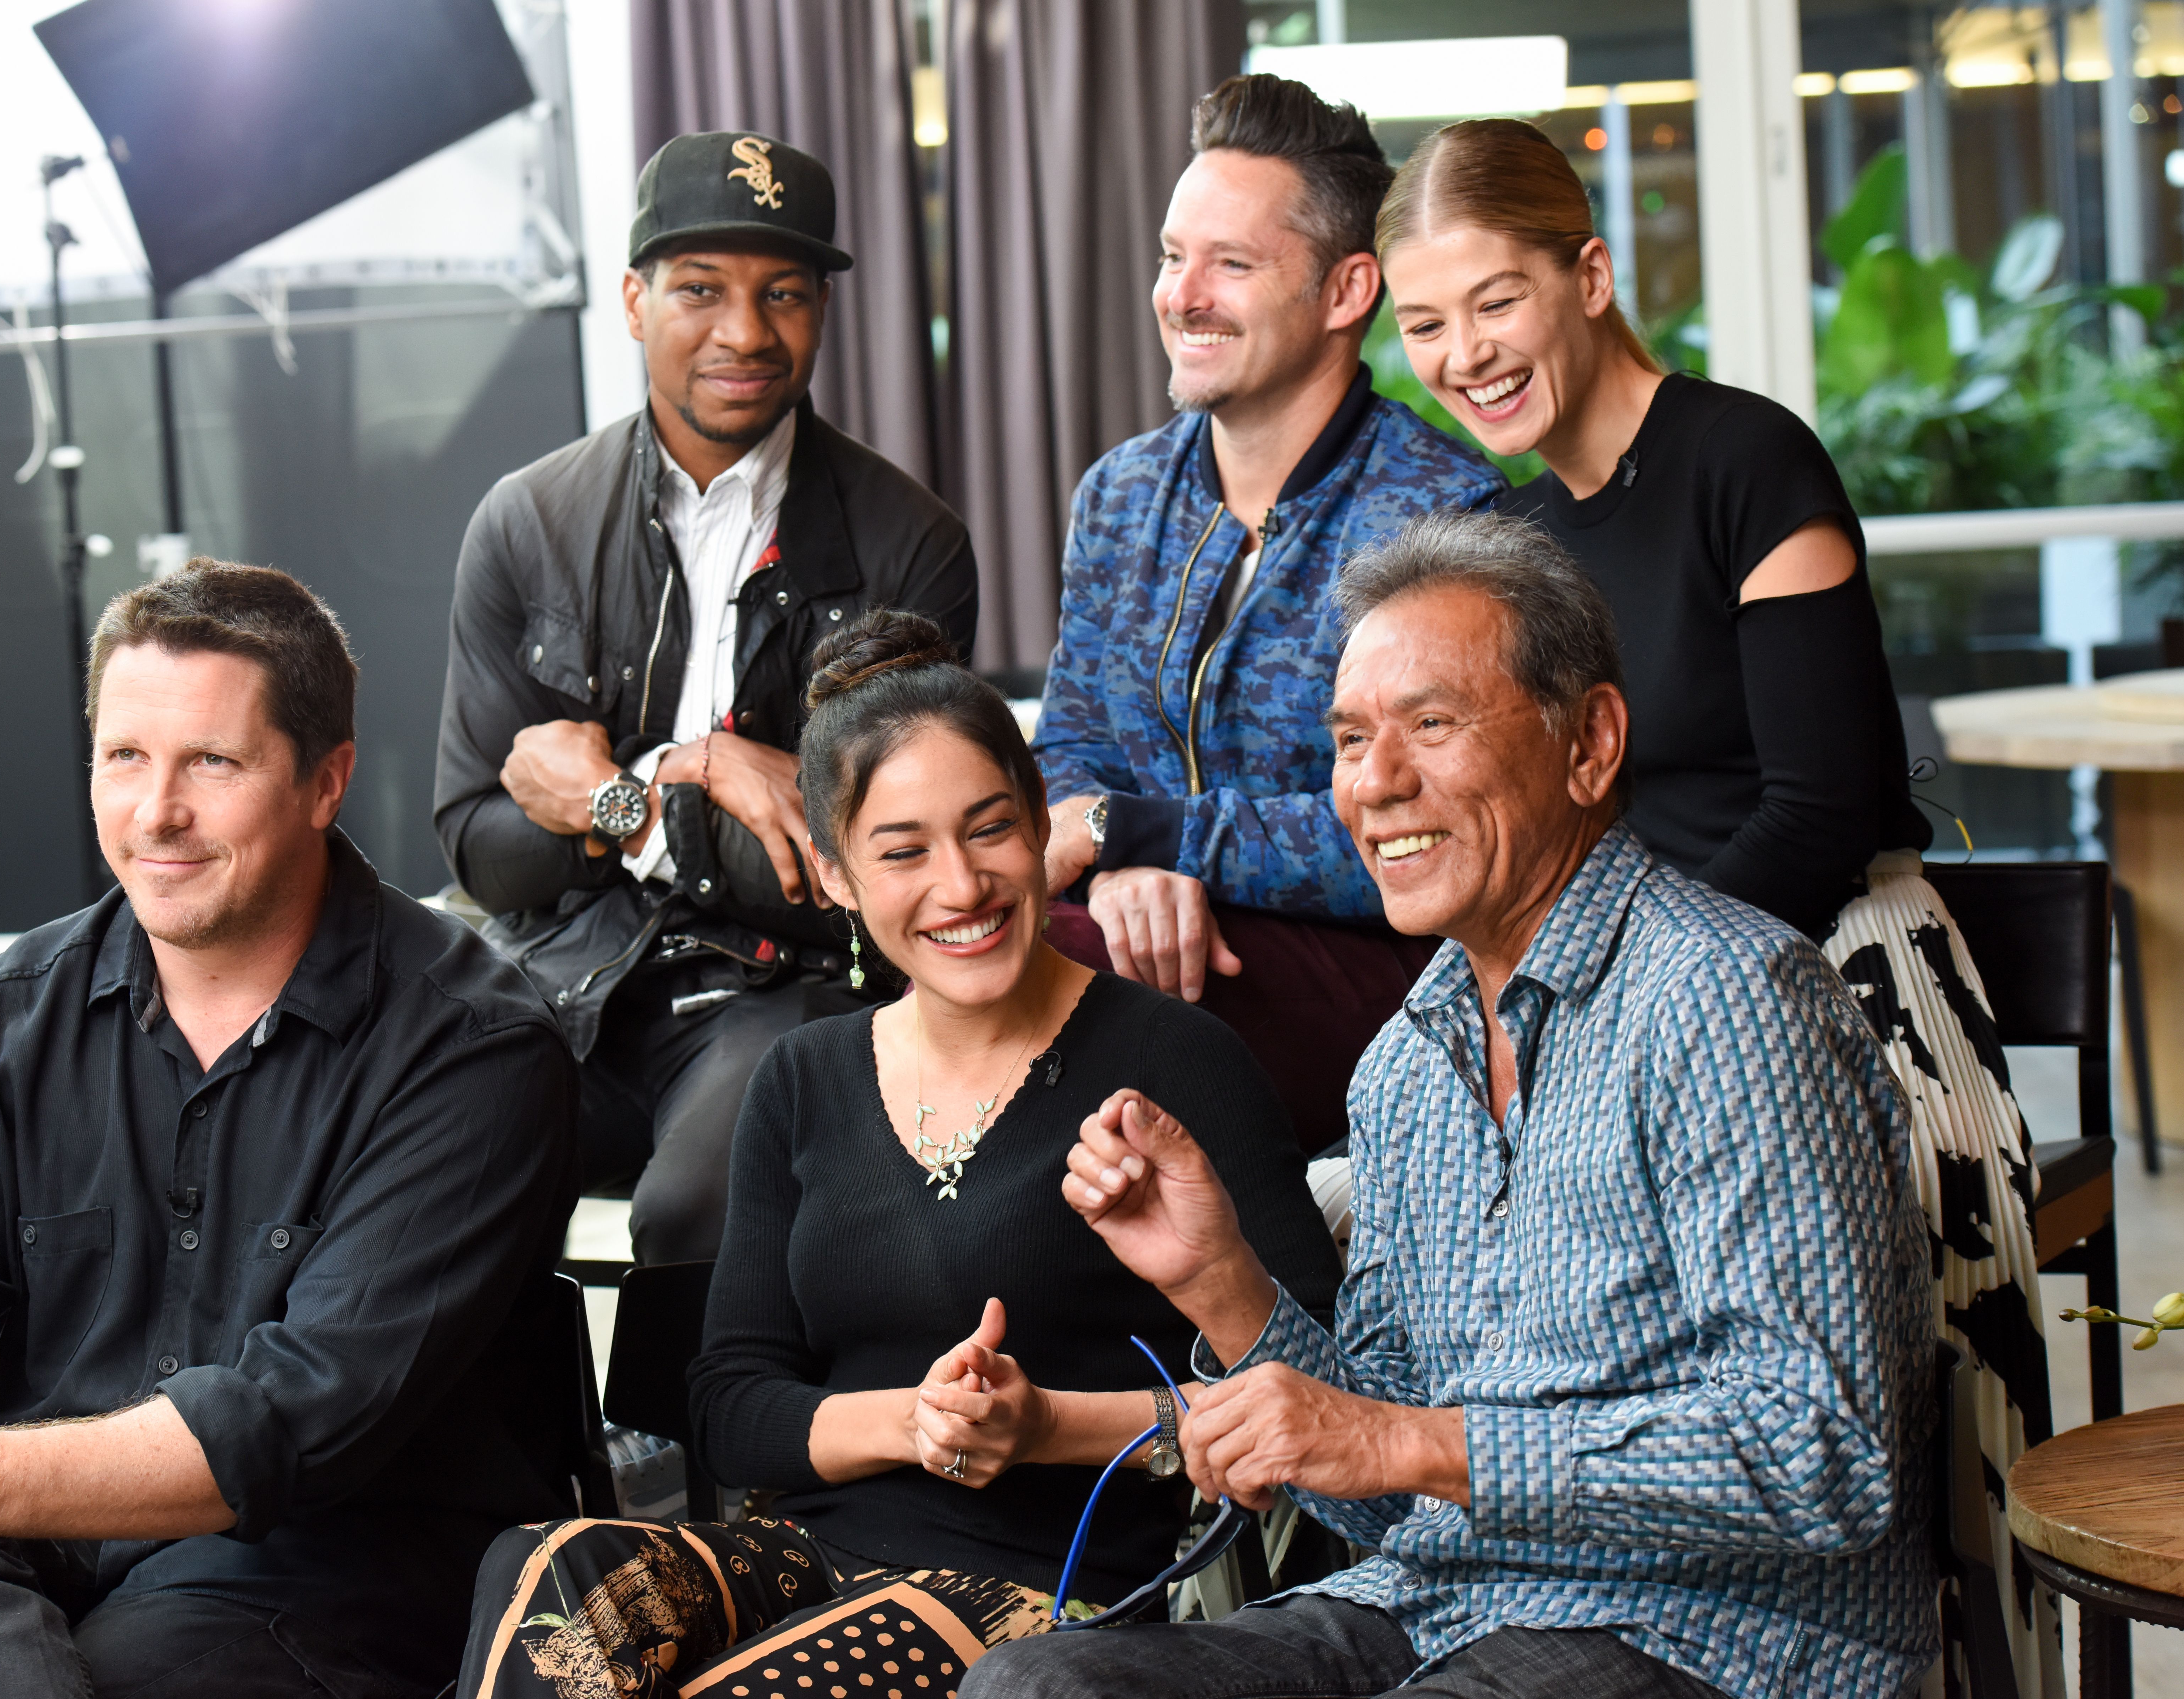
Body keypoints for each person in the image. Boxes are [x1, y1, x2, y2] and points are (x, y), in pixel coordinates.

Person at [972, 513, 1938, 1699]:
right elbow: (1377, 1496)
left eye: (1431, 723)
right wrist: (1219, 1279)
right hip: (1436, 1605)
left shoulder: (1729, 1000)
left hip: (1712, 1630)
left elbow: (1823, 1454)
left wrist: (1414, 1443)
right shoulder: (1404, 1067)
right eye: (1349, 738)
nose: (1374, 784)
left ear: (1590, 743)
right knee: (1038, 1689)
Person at [1374, 119, 2052, 1694]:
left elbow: (1820, 808)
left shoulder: (1750, 459)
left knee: (1900, 1384)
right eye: (1423, 324)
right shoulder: (1516, 548)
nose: (1462, 356)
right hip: (1623, 986)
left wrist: (1626, 997)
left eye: (1495, 301)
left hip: (1844, 961)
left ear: (1587, 276)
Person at [0, 562, 579, 1699]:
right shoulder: (12, 1013)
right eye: (124, 758)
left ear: (326, 782)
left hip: (322, 1563)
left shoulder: (473, 1047)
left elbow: (297, 1419)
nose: (156, 812)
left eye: (212, 762)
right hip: (32, 1538)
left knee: (126, 1669)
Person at [457, 611, 1341, 1698]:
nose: (962, 886)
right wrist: (920, 1423)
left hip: (1047, 1593)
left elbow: (1317, 1394)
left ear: (1040, 827)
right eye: (903, 850)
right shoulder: (803, 1075)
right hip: (815, 1556)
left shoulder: (1178, 1059)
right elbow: (732, 1400)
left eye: (991, 829)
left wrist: (1043, 1427)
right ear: (833, 873)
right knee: (551, 1570)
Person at [436, 130, 978, 1265]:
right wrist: (695, 773)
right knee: (427, 1170)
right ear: (634, 302)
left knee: (697, 1209)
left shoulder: (911, 548)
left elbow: (857, 884)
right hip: (568, 976)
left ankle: (701, 1447)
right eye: (701, 291)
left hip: (788, 994)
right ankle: (547, 1449)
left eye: (783, 293)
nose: (745, 333)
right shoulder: (529, 523)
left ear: (822, 311)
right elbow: (481, 844)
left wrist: (608, 801)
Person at [1031, 74, 1502, 1155]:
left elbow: (1420, 822)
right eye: (1171, 255)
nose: (1182, 295)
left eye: (1231, 265)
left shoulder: (1444, 512)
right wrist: (1129, 863)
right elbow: (1077, 742)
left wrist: (1160, 837)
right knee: (978, 948)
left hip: (1369, 972)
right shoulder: (1121, 493)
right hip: (1131, 935)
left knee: (1038, 987)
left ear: (1347, 292)